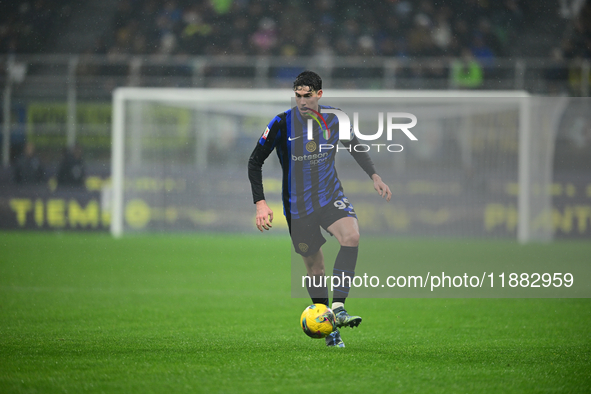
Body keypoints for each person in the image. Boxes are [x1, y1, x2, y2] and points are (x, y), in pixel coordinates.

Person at [248, 71, 392, 347]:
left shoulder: (335, 118)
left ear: (319, 95)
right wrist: (261, 203)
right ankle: (330, 330)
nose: (302, 102)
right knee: (316, 270)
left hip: (329, 197)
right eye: (298, 96)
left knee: (351, 237)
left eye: (308, 96)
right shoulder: (280, 123)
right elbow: (255, 161)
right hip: (298, 207)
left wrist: (374, 175)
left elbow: (355, 145)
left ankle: (338, 306)